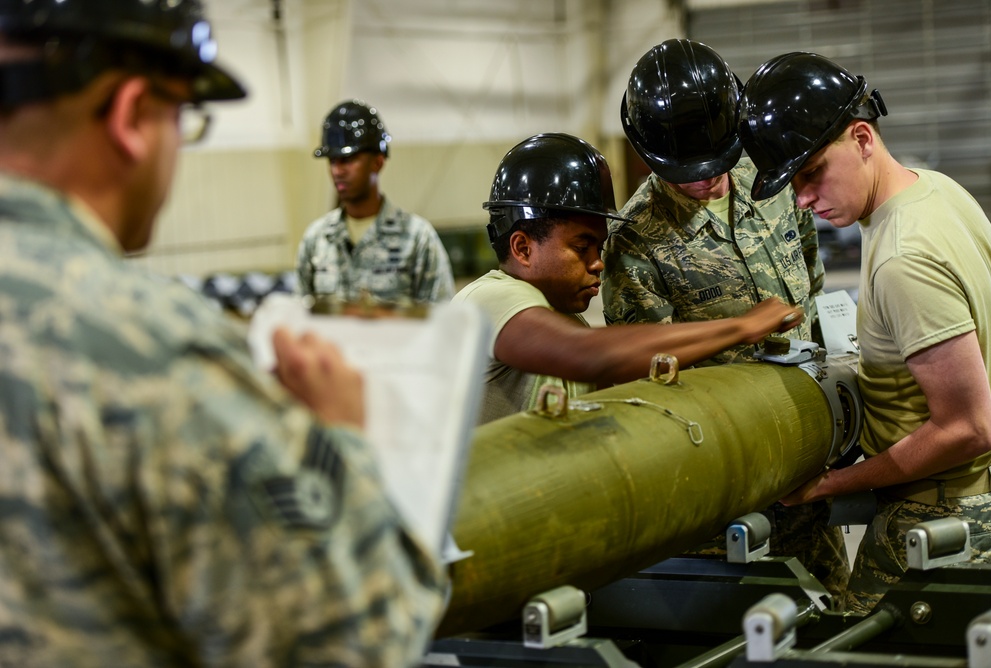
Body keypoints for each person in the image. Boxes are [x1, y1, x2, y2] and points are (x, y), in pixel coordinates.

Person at [0, 1, 444, 666]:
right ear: (131, 116)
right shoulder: (153, 354)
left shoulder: (414, 239)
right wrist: (342, 442)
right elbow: (358, 642)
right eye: (185, 117)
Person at [738, 51, 991, 613]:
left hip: (939, 514)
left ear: (861, 138)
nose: (803, 200)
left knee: (851, 642)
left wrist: (831, 485)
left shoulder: (903, 257)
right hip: (975, 497)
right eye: (793, 184)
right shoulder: (938, 191)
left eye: (811, 173)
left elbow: (969, 429)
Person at [601, 39, 847, 606]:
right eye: (687, 172)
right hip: (728, 501)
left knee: (829, 624)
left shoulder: (772, 180)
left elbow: (811, 287)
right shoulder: (636, 240)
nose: (708, 180)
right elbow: (647, 380)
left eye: (717, 163)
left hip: (811, 471)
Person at [453, 132, 804, 425]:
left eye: (600, 247)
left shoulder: (561, 317)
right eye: (582, 246)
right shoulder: (487, 301)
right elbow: (587, 354)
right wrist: (742, 328)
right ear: (522, 247)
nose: (598, 264)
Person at [296, 99, 455, 306]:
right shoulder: (316, 239)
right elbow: (300, 319)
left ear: (377, 162)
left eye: (349, 160)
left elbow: (442, 321)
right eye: (332, 161)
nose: (337, 171)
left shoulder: (417, 238)